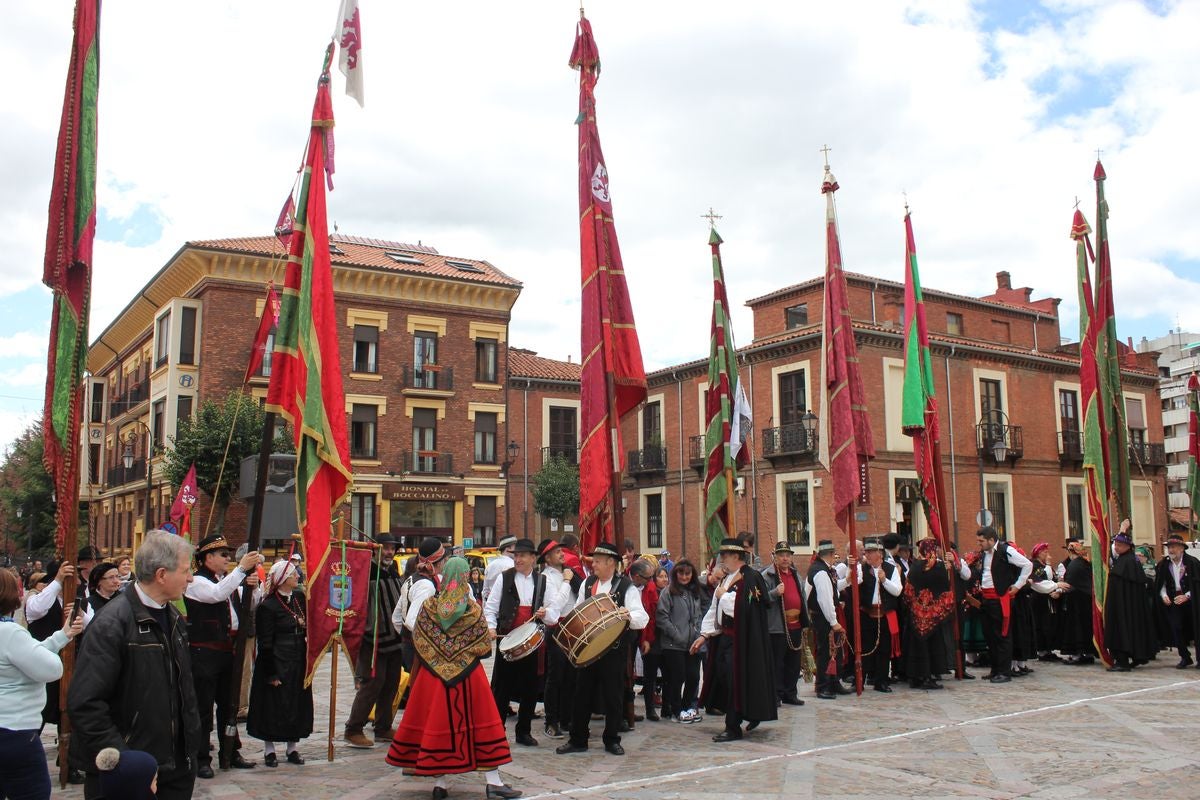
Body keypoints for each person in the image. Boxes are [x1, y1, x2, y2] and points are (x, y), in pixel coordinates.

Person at [68, 531, 203, 800]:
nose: (190, 578)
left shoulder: (174, 618)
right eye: (186, 570)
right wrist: (125, 763)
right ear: (161, 574)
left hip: (175, 768)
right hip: (129, 773)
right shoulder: (112, 623)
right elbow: (85, 702)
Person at [385, 556, 520, 799]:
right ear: (465, 576)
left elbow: (417, 636)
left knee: (437, 724)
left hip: (433, 677)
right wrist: (462, 654)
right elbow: (482, 645)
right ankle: (493, 782)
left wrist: (438, 658)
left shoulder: (429, 606)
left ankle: (440, 784)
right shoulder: (472, 609)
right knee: (481, 724)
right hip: (468, 677)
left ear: (444, 576)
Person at [556, 541, 648, 757]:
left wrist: (627, 615)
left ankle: (612, 739)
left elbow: (642, 617)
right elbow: (578, 610)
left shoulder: (626, 587)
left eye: (597, 561)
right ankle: (578, 739)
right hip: (589, 649)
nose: (593, 564)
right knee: (582, 694)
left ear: (611, 563)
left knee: (613, 696)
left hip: (614, 651)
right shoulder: (587, 584)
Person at [0, 567, 83, 800]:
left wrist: (62, 635)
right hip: (14, 731)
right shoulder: (9, 633)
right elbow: (51, 669)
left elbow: (25, 657)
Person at [184, 534, 261, 776]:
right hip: (204, 653)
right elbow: (216, 594)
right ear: (208, 558)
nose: (228, 558)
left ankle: (231, 750)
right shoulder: (197, 581)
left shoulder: (227, 581)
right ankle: (201, 757)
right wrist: (241, 569)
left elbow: (249, 604)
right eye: (223, 555)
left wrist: (252, 586)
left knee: (229, 705)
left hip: (228, 652)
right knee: (204, 707)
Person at [693, 538, 776, 742]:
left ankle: (733, 726)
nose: (722, 559)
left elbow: (746, 608)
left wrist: (724, 596)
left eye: (725, 555)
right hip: (725, 639)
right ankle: (748, 713)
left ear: (737, 556)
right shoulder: (726, 579)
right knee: (723, 677)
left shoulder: (751, 577)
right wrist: (704, 635)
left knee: (734, 680)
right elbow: (715, 609)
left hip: (744, 641)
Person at [484, 538, 559, 747]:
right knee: (502, 688)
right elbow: (491, 607)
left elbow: (554, 612)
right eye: (516, 555)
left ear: (533, 558)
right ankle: (496, 731)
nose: (517, 559)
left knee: (530, 688)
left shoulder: (543, 581)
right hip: (507, 640)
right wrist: (491, 627)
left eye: (522, 556)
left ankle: (523, 731)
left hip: (531, 642)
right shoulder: (504, 578)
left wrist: (545, 613)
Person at [247, 559, 313, 766]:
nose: (297, 576)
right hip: (277, 659)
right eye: (293, 574)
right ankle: (269, 750)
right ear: (283, 579)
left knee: (296, 703)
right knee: (273, 705)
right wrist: (271, 673)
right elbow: (265, 642)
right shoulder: (268, 606)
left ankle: (292, 748)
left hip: (298, 659)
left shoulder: (299, 598)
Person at [344, 534, 407, 749]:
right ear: (374, 550)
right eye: (385, 548)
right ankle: (353, 728)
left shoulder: (394, 570)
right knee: (372, 684)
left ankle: (383, 726)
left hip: (395, 638)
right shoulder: (366, 571)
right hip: (374, 639)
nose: (389, 552)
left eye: (392, 548)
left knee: (391, 683)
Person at [971, 526, 1032, 682]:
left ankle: (1004, 672)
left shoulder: (1006, 551)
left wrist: (1018, 585)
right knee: (990, 635)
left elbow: (1027, 565)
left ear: (991, 540)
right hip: (986, 598)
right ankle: (995, 669)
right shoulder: (984, 554)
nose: (979, 544)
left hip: (1000, 599)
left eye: (981, 541)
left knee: (1002, 635)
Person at [24, 558, 76, 729]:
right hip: (41, 666)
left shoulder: (73, 600)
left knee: (67, 715)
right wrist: (58, 581)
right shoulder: (37, 599)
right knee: (38, 715)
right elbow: (37, 609)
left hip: (66, 666)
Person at [537, 538, 579, 740]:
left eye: (561, 551)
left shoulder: (569, 572)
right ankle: (551, 721)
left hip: (573, 627)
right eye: (556, 552)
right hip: (557, 629)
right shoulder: (546, 577)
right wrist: (567, 581)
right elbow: (556, 605)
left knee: (571, 676)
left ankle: (566, 717)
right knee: (555, 677)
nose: (562, 554)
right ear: (547, 558)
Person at [1103, 521, 1156, 671]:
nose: (1116, 547)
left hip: (1123, 606)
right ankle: (1136, 656)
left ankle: (1122, 662)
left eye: (1119, 545)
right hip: (1128, 605)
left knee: (1122, 629)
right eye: (1116, 544)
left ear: (1128, 546)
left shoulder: (1128, 561)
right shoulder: (1127, 559)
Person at [760, 541, 807, 706]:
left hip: (795, 625)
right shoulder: (767, 576)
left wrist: (805, 619)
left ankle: (790, 693)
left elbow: (802, 597)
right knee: (777, 663)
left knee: (793, 663)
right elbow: (761, 599)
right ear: (775, 557)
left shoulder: (796, 575)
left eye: (787, 555)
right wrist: (775, 592)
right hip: (778, 627)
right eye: (781, 555)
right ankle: (776, 694)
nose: (785, 558)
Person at [657, 559, 704, 722]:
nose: (684, 577)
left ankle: (687, 707)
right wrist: (677, 635)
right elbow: (662, 617)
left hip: (692, 643)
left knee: (694, 677)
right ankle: (676, 710)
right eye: (681, 573)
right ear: (675, 574)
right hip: (673, 644)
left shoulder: (694, 592)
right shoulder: (668, 592)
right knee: (677, 677)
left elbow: (698, 616)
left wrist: (698, 634)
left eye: (687, 574)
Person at [856, 539, 903, 693]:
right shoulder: (861, 568)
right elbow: (854, 584)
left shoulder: (891, 569)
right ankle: (860, 680)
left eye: (870, 552)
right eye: (866, 552)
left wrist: (884, 580)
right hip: (867, 613)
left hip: (884, 614)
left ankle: (881, 681)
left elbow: (897, 591)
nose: (867, 555)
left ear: (880, 554)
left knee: (884, 649)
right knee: (865, 648)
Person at [807, 540, 849, 699]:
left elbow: (832, 590)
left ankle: (833, 682)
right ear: (830, 554)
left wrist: (846, 581)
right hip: (822, 617)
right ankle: (823, 686)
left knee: (834, 651)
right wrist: (833, 621)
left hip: (824, 615)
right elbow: (825, 599)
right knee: (826, 651)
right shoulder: (821, 572)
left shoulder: (824, 570)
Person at [1156, 533, 1200, 669]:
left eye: (1174, 547)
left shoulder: (1192, 563)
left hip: (1192, 601)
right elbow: (1161, 583)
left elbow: (1197, 584)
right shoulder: (1164, 564)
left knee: (1196, 628)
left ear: (1181, 548)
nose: (1171, 550)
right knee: (1176, 627)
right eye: (1169, 547)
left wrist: (1187, 596)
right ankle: (1185, 657)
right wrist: (1163, 595)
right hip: (1174, 600)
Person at [1057, 537, 1096, 665]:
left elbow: (1069, 584)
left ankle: (1077, 655)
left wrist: (1058, 590)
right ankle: (1088, 653)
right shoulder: (1086, 563)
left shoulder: (1074, 565)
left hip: (1076, 603)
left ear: (1071, 552)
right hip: (1086, 601)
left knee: (1076, 629)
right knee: (1086, 628)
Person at [633, 559, 662, 721]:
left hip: (647, 631)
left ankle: (650, 708)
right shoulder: (626, 586)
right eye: (648, 577)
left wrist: (647, 639)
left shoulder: (650, 588)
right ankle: (627, 709)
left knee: (650, 671)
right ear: (637, 576)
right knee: (627, 672)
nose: (651, 580)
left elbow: (652, 614)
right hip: (630, 632)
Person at [1028, 542, 1063, 662]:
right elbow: (1045, 577)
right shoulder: (1035, 565)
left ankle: (1048, 649)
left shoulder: (1042, 565)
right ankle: (1042, 650)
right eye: (1045, 552)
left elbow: (1053, 578)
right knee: (1042, 624)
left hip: (1046, 598)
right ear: (1038, 553)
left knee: (1049, 623)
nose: (1047, 554)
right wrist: (1048, 564)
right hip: (1039, 599)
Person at [482, 536, 517, 604]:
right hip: (508, 605)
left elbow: (485, 591)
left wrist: (486, 607)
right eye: (515, 547)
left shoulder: (490, 565)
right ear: (508, 548)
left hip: (492, 604)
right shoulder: (513, 565)